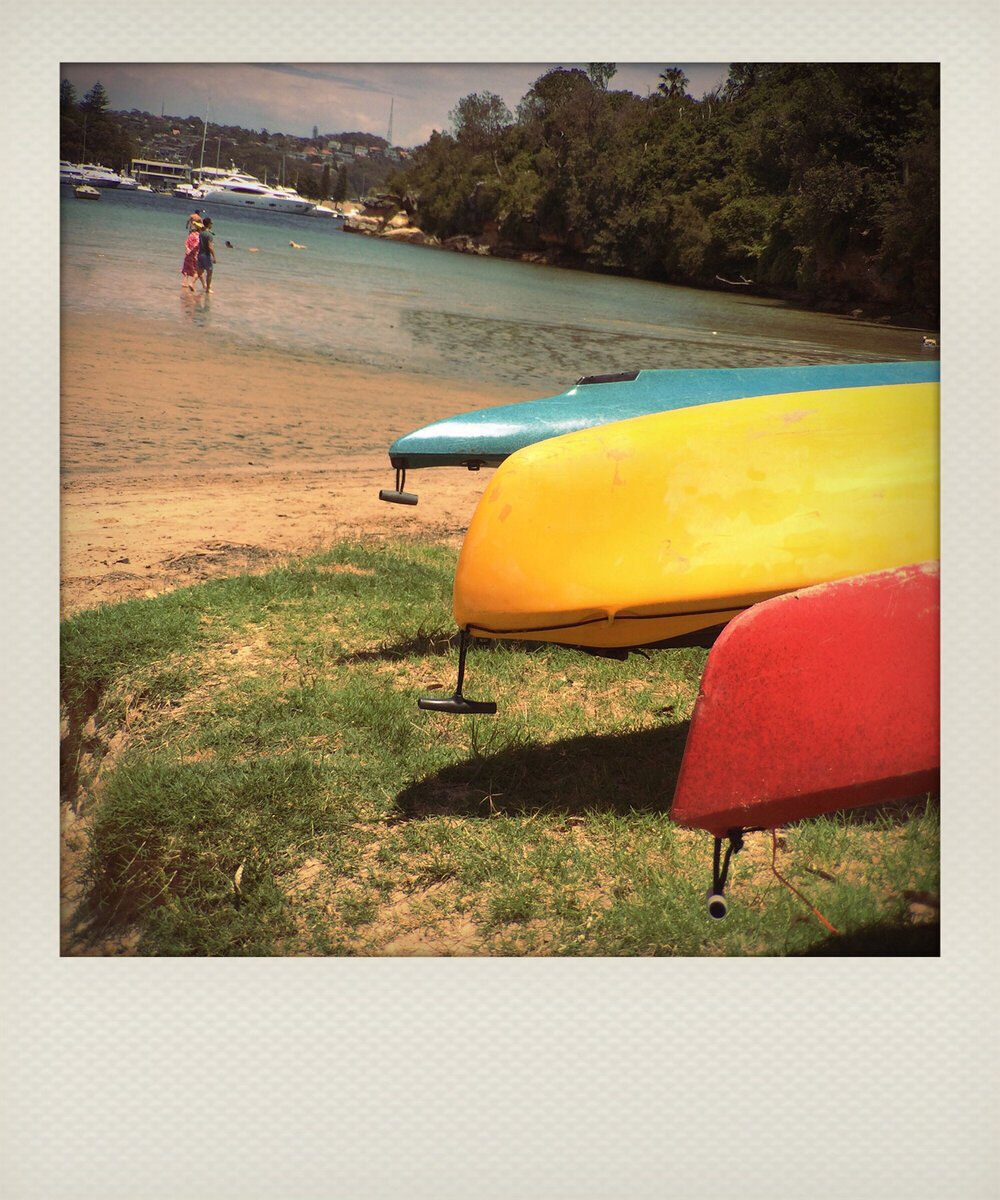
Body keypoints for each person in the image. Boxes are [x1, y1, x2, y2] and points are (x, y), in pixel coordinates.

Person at [180, 215, 202, 291]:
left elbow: (186, 243)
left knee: (186, 269)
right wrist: (192, 250)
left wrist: (188, 249)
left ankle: (184, 283)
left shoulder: (191, 234)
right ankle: (191, 284)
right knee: (197, 271)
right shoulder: (198, 236)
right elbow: (196, 245)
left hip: (187, 255)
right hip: (194, 255)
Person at [196, 217, 217, 293]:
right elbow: (210, 246)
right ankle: (208, 289)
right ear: (209, 224)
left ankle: (203, 285)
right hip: (206, 255)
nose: (211, 225)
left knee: (200, 272)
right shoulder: (209, 235)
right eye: (211, 223)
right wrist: (214, 257)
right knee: (209, 272)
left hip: (200, 254)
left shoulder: (201, 233)